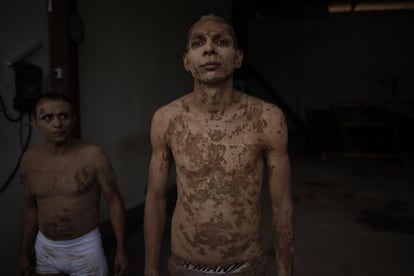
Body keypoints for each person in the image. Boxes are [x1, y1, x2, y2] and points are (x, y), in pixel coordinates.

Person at [144, 14, 294, 276]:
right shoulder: (167, 120)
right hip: (183, 265)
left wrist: (285, 271)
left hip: (246, 267)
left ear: (237, 58)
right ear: (186, 61)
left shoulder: (267, 119)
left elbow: (282, 204)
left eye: (220, 41)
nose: (209, 49)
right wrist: (150, 267)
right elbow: (155, 198)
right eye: (198, 43)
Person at [17, 93, 128, 276]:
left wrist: (121, 250)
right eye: (48, 117)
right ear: (35, 124)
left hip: (85, 246)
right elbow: (30, 209)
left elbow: (114, 200)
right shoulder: (29, 160)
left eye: (63, 116)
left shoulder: (93, 156)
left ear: (74, 120)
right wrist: (23, 253)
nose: (57, 124)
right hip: (45, 247)